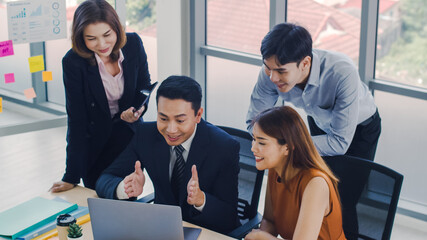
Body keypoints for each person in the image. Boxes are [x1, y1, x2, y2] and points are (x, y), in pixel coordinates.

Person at [96, 76, 240, 234]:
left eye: (180, 121)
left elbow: (229, 218)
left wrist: (201, 200)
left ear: (198, 115)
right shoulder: (145, 135)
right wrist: (125, 188)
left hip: (206, 233)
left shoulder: (224, 147)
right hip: (161, 231)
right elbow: (105, 179)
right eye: (163, 118)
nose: (171, 130)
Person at [50, 0, 152, 192]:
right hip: (96, 145)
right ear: (81, 38)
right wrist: (71, 176)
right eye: (92, 38)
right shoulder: (73, 63)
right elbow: (77, 120)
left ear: (116, 29)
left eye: (107, 35)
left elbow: (143, 88)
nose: (102, 44)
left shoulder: (133, 44)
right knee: (98, 199)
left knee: (127, 195)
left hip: (129, 139)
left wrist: (137, 110)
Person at [246, 23, 381, 161]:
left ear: (305, 63)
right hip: (318, 121)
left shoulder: (342, 72)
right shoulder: (270, 72)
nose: (273, 78)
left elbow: (340, 142)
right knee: (317, 176)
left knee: (350, 182)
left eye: (281, 71)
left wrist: (285, 144)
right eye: (268, 67)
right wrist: (276, 141)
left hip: (360, 129)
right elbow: (254, 122)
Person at [245, 106, 346, 240]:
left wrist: (260, 236)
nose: (253, 148)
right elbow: (270, 221)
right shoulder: (275, 170)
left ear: (287, 147)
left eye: (262, 143)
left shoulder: (316, 183)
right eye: (254, 139)